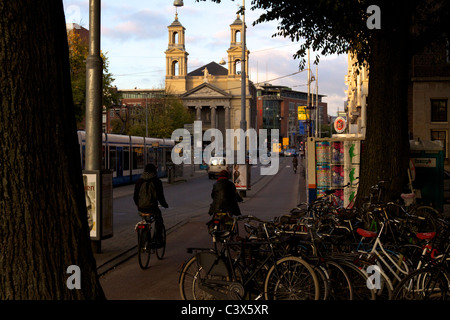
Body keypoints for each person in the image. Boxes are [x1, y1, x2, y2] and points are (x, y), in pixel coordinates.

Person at [134, 163, 168, 246]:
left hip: (141, 209)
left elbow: (135, 197)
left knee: (145, 220)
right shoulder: (157, 181)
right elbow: (160, 197)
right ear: (154, 171)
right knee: (159, 220)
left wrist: (139, 206)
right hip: (153, 209)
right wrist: (165, 205)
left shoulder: (139, 181)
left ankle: (144, 240)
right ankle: (158, 240)